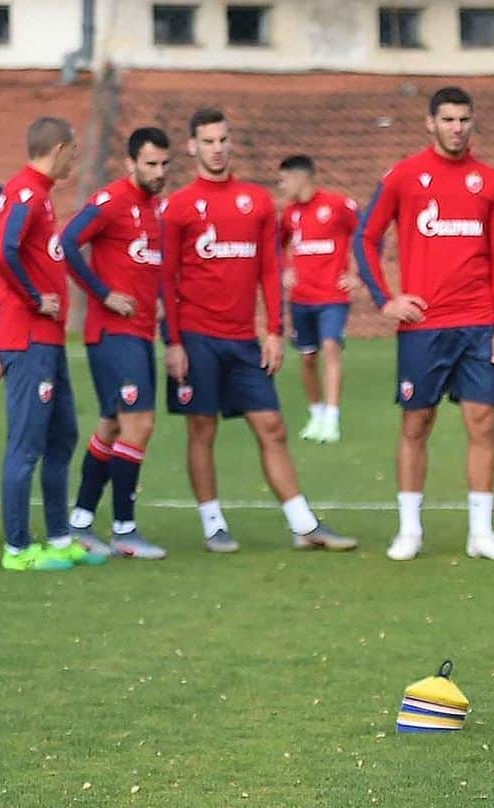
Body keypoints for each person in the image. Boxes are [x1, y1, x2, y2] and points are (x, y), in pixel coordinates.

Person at [161, 108, 356, 554]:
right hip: (196, 337)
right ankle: (213, 526)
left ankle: (303, 525)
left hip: (243, 340)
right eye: (207, 141)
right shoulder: (180, 208)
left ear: (231, 143)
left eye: (222, 139)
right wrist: (172, 342)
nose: (216, 148)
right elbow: (166, 279)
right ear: (192, 147)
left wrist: (273, 330)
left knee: (272, 426)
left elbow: (271, 268)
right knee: (202, 430)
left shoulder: (258, 202)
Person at [356, 86, 494, 562]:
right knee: (416, 423)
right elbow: (366, 238)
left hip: (479, 323)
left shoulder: (489, 182)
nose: (456, 127)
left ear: (472, 122)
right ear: (431, 123)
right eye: (447, 119)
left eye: (464, 119)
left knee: (482, 424)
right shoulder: (405, 176)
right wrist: (386, 299)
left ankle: (481, 533)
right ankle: (410, 530)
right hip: (423, 326)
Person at [0, 116, 107, 571]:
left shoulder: (39, 195)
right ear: (58, 148)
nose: (76, 159)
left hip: (48, 340)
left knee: (62, 436)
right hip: (29, 339)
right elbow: (1, 251)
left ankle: (59, 538)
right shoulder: (24, 192)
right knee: (26, 443)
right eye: (74, 151)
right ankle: (17, 550)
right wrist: (36, 298)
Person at [62, 126, 170, 560]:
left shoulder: (153, 207)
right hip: (112, 333)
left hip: (139, 332)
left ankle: (81, 522)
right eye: (150, 164)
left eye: (164, 164)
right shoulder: (112, 201)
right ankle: (125, 529)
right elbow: (67, 242)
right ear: (131, 164)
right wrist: (102, 293)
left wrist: (157, 301)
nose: (159, 171)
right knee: (139, 424)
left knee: (111, 424)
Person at [277, 154, 359, 444]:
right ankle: (316, 414)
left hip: (333, 296)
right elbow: (277, 244)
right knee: (308, 357)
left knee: (330, 347)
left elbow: (366, 234)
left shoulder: (337, 205)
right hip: (301, 297)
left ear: (302, 177)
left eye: (284, 179)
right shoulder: (290, 214)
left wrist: (356, 272)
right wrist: (285, 270)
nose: (281, 185)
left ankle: (333, 418)